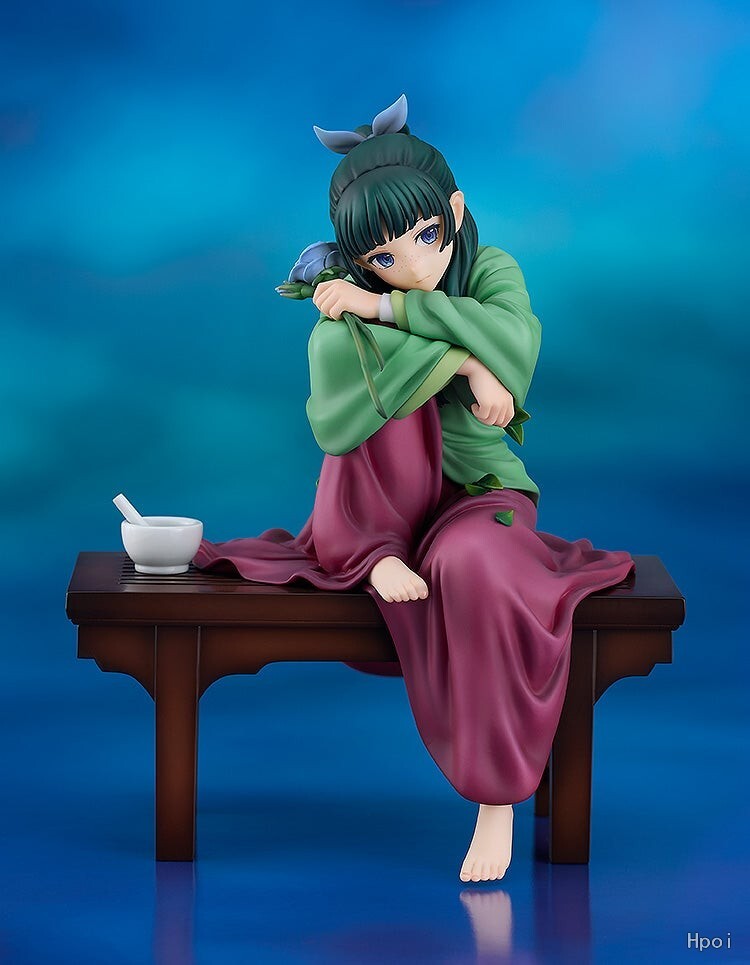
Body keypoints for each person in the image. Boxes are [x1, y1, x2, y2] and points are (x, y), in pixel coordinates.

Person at [192, 95, 635, 882]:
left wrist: (387, 306)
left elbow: (513, 345)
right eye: (386, 259)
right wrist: (460, 362)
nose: (416, 265)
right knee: (372, 387)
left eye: (427, 236)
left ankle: (497, 798)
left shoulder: (490, 270)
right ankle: (370, 554)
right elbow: (337, 380)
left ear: (454, 213)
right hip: (384, 505)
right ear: (358, 256)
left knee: (473, 564)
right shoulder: (348, 294)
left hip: (480, 496)